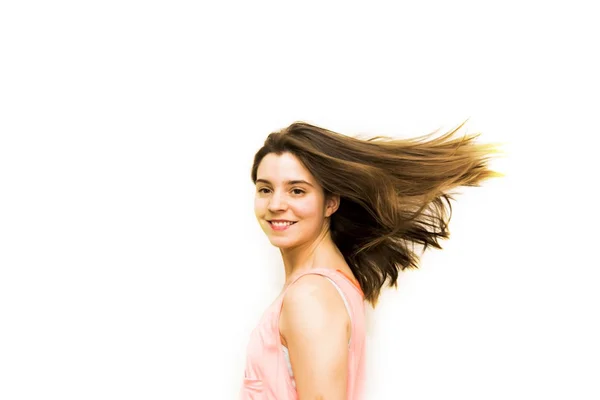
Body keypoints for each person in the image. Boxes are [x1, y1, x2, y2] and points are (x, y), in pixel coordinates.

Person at [239, 120, 502, 399]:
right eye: (265, 189)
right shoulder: (324, 284)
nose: (276, 205)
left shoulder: (310, 295)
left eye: (297, 190)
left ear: (331, 202)